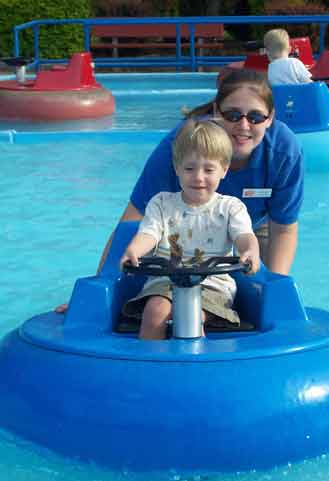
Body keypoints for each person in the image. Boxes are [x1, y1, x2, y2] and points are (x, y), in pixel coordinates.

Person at [56, 69, 304, 313]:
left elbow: (283, 228)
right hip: (183, 227)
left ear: (270, 118)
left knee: (258, 296)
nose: (243, 126)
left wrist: (274, 294)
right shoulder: (184, 145)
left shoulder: (283, 151)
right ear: (217, 113)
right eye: (232, 115)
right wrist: (100, 291)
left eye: (255, 117)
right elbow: (133, 220)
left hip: (249, 227)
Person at [119, 118, 260, 340]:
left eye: (208, 169)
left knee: (192, 317)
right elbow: (149, 233)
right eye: (189, 168)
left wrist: (250, 250)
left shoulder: (230, 207)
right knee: (154, 312)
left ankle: (196, 365)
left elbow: (244, 235)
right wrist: (135, 250)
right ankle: (152, 364)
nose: (198, 177)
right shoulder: (162, 203)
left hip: (213, 286)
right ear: (177, 168)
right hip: (165, 282)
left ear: (224, 169)